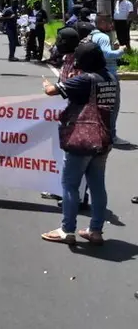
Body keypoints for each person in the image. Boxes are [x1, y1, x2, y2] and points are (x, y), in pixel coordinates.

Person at [40, 41, 117, 246]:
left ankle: (67, 230)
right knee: (97, 186)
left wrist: (46, 83)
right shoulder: (110, 79)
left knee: (70, 185)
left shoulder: (85, 80)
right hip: (103, 137)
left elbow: (51, 91)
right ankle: (95, 230)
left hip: (82, 139)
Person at [89, 15, 125, 145]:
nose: (111, 26)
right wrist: (121, 50)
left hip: (95, 73)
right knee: (112, 107)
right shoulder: (103, 37)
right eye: (109, 23)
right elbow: (107, 55)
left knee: (98, 107)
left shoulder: (91, 35)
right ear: (102, 22)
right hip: (109, 74)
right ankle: (111, 136)